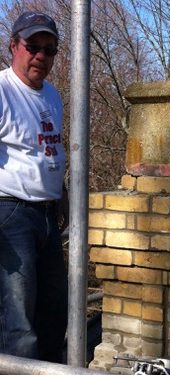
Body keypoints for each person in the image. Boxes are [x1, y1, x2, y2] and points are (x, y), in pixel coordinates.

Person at [0, 11, 68, 363]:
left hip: (45, 214)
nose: (41, 55)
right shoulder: (2, 89)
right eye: (33, 46)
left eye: (50, 49)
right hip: (10, 215)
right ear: (13, 46)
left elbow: (50, 149)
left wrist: (63, 198)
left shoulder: (52, 96)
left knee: (54, 311)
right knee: (18, 320)